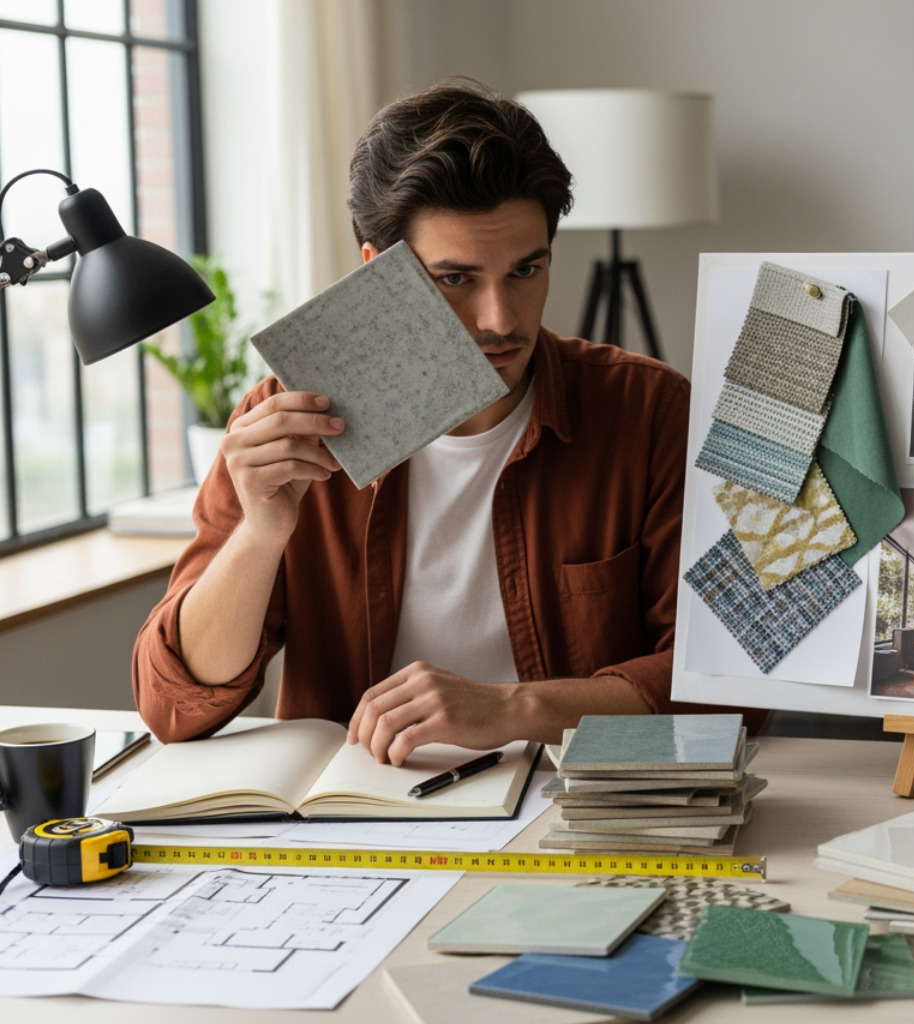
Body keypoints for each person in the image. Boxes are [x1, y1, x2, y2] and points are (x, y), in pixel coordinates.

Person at [133, 78, 757, 763]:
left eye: (526, 271)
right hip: (360, 809)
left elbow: (733, 681)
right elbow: (173, 707)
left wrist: (517, 709)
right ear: (379, 273)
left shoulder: (649, 412)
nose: (500, 319)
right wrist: (260, 535)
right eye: (456, 279)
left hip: (578, 804)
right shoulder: (285, 424)